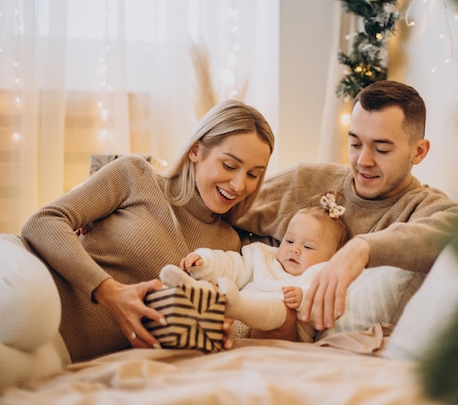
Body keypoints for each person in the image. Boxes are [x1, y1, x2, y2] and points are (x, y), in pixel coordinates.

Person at [9, 99, 275, 369]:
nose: (240, 184)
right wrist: (110, 293)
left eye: (253, 174)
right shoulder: (136, 175)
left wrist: (212, 327)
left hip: (63, 351)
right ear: (196, 150)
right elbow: (43, 221)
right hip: (29, 279)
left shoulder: (228, 247)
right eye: (229, 166)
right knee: (31, 314)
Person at [234, 80, 458, 336]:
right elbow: (219, 208)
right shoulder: (306, 180)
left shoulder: (420, 206)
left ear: (419, 152)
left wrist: (361, 248)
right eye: (355, 144)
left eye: (381, 149)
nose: (363, 161)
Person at [160, 192, 348, 343]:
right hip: (231, 323)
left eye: (307, 247)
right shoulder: (263, 256)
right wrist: (205, 261)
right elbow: (234, 266)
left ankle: (237, 306)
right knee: (215, 288)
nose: (294, 250)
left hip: (273, 336)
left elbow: (328, 309)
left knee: (284, 311)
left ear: (334, 255)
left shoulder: (322, 274)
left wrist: (303, 299)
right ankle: (189, 290)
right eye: (289, 241)